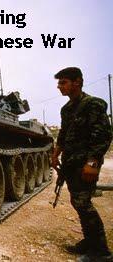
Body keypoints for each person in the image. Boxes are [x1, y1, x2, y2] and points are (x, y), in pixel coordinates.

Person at [51, 67, 112, 261]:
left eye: (63, 82)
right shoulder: (67, 109)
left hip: (85, 163)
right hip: (71, 163)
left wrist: (92, 164)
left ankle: (101, 251)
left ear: (77, 82)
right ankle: (89, 241)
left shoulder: (92, 104)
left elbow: (103, 136)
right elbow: (63, 135)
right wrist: (55, 155)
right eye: (59, 83)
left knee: (83, 204)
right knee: (78, 202)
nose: (59, 86)